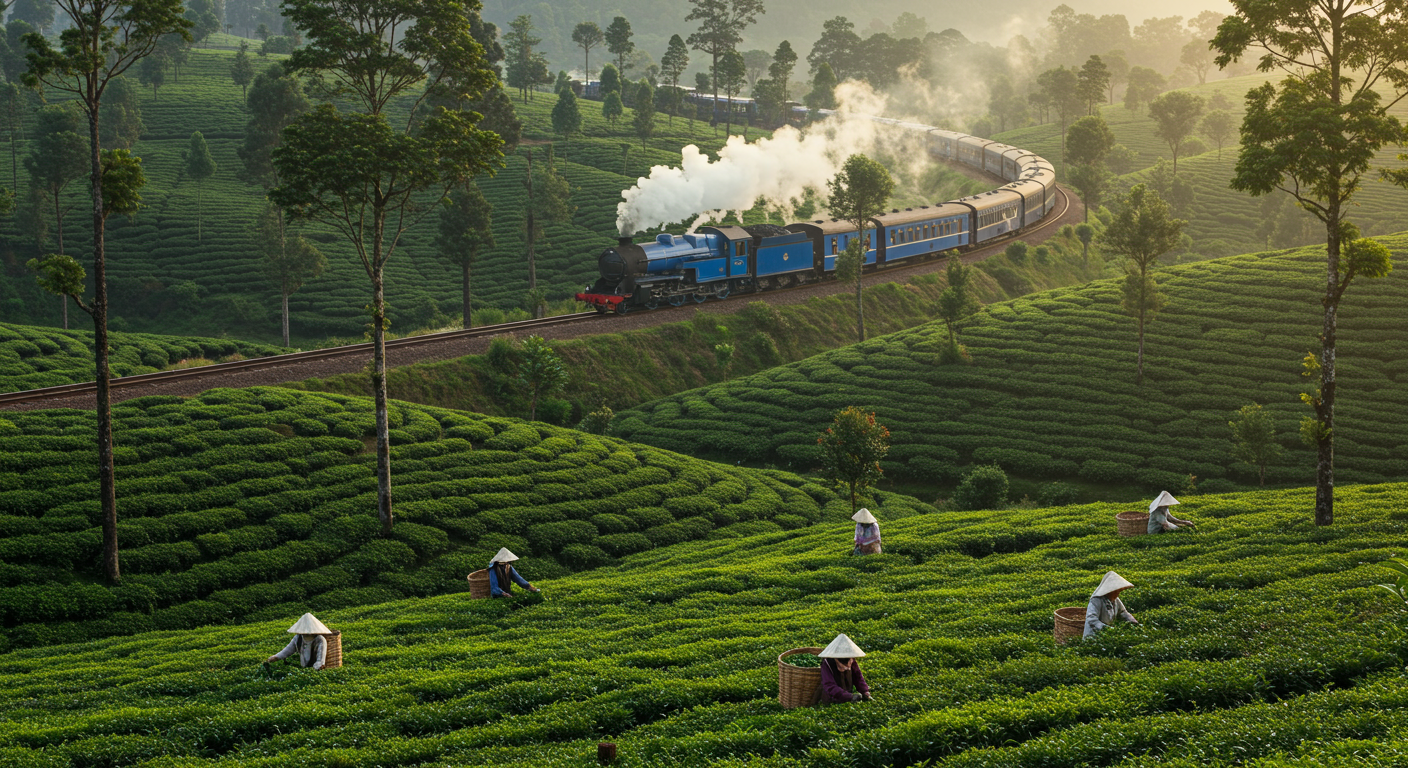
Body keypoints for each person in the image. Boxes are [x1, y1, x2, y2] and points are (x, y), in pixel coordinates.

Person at [817, 633, 873, 704]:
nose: (847, 667)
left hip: (848, 698)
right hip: (832, 701)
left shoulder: (851, 659)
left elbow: (858, 677)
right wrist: (849, 697)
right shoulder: (827, 663)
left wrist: (865, 692)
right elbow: (829, 685)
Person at [1083, 571, 1139, 639]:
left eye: (1118, 591)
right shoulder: (1096, 600)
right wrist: (1106, 629)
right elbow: (1091, 619)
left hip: (1106, 636)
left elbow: (1122, 612)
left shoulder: (1115, 599)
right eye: (1115, 591)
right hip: (1093, 636)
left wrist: (1133, 621)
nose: (1117, 594)